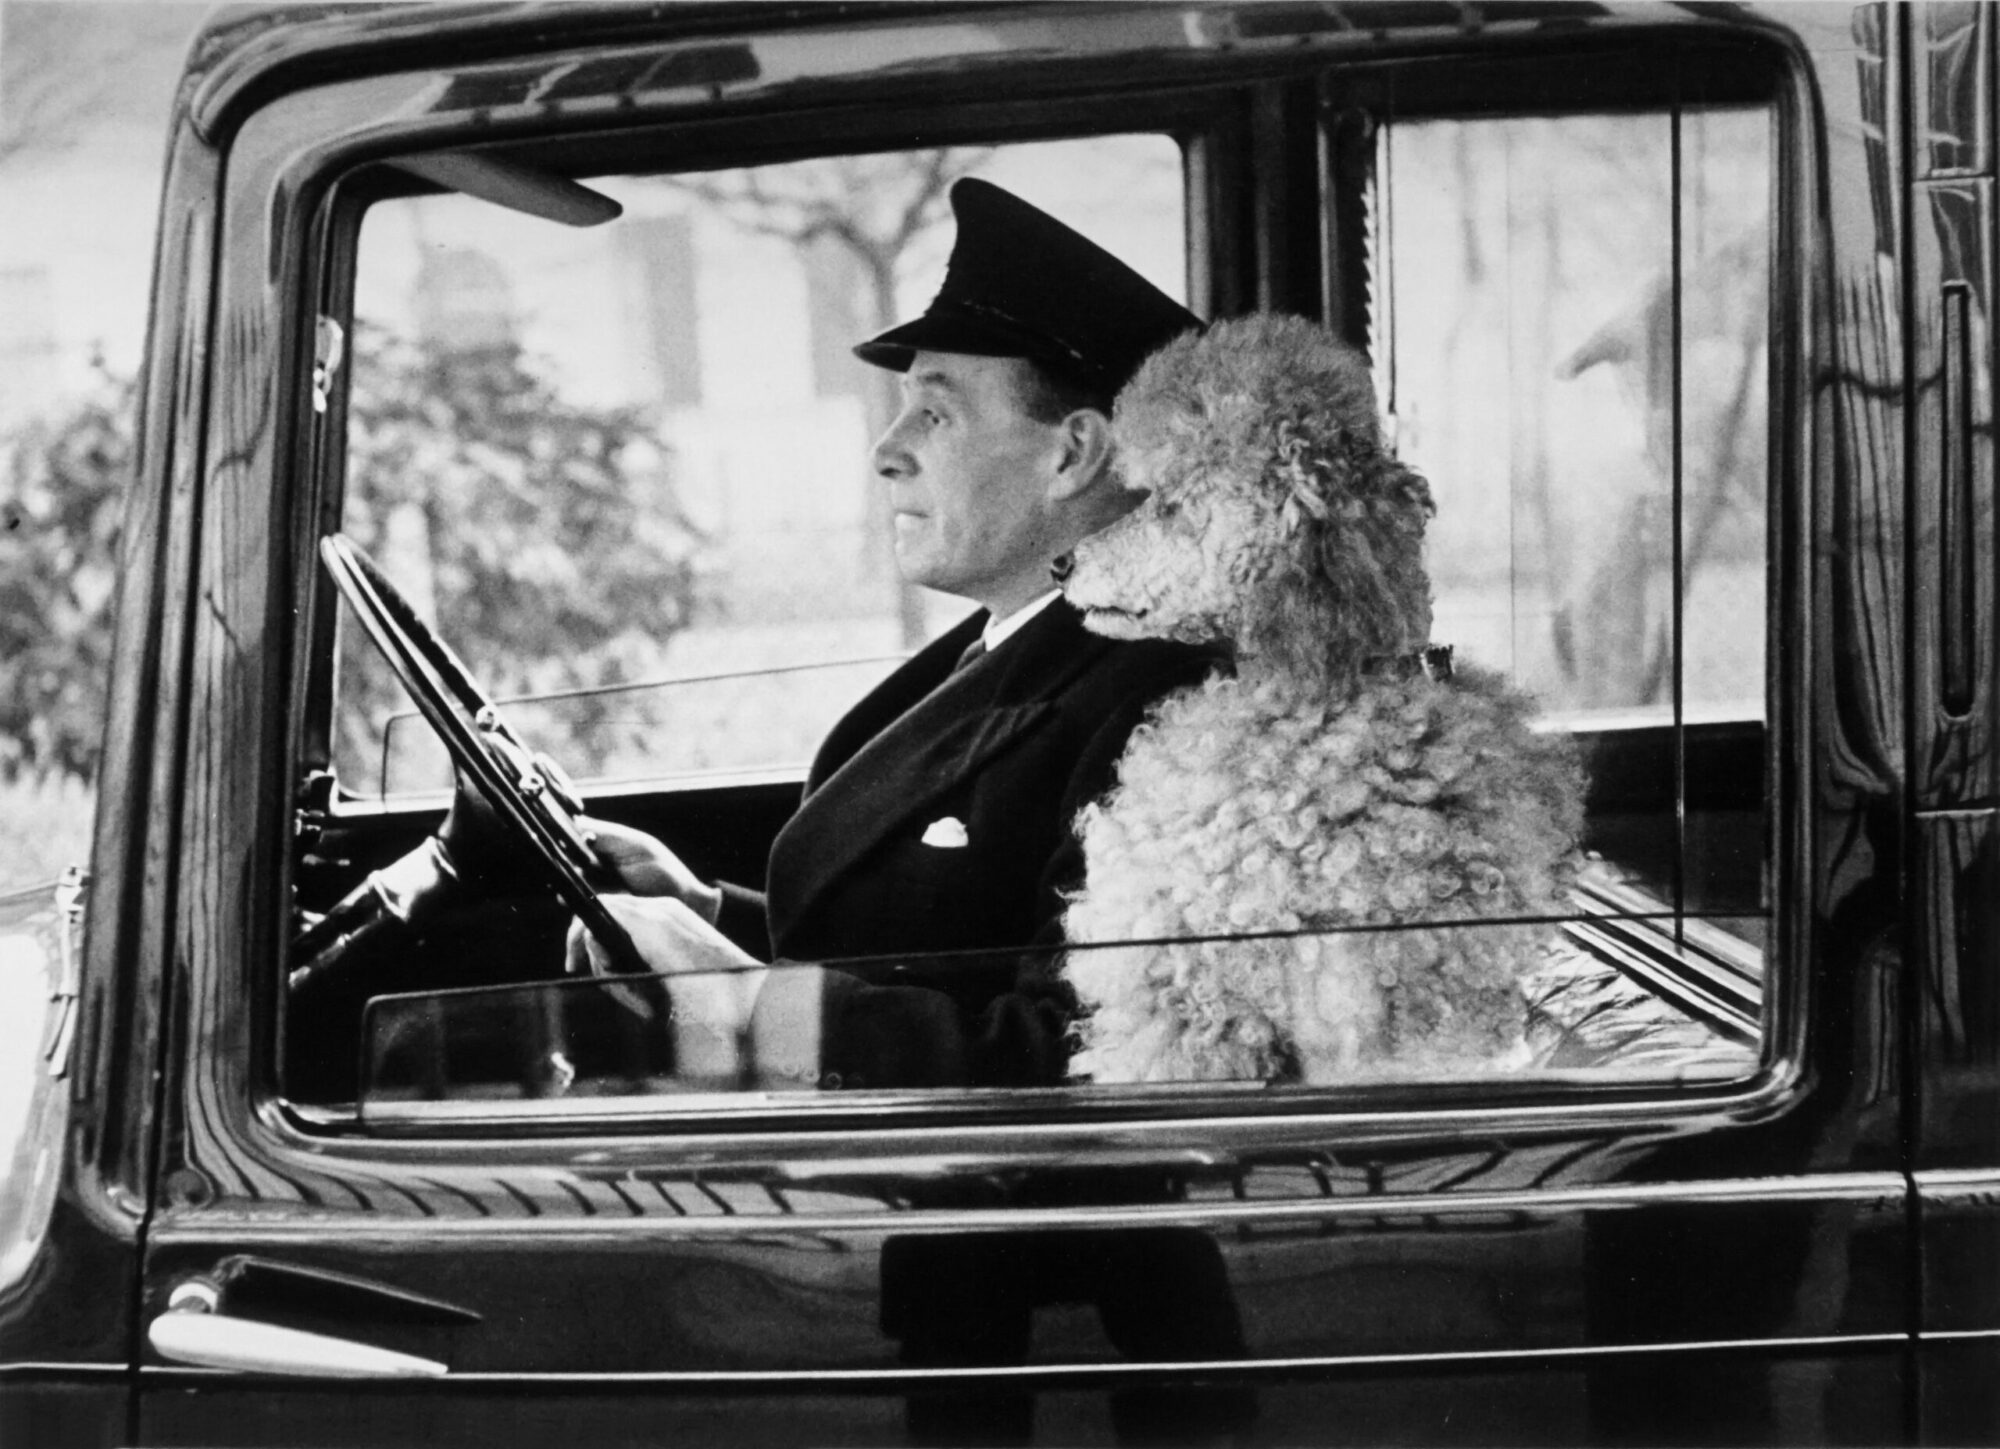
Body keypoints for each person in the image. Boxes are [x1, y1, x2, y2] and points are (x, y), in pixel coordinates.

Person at [567, 178, 1215, 1090]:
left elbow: (1063, 1059)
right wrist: (709, 913)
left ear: (1073, 454)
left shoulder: (1165, 705)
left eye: (937, 413)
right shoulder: (1023, 638)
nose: (888, 448)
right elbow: (925, 947)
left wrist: (742, 1002)